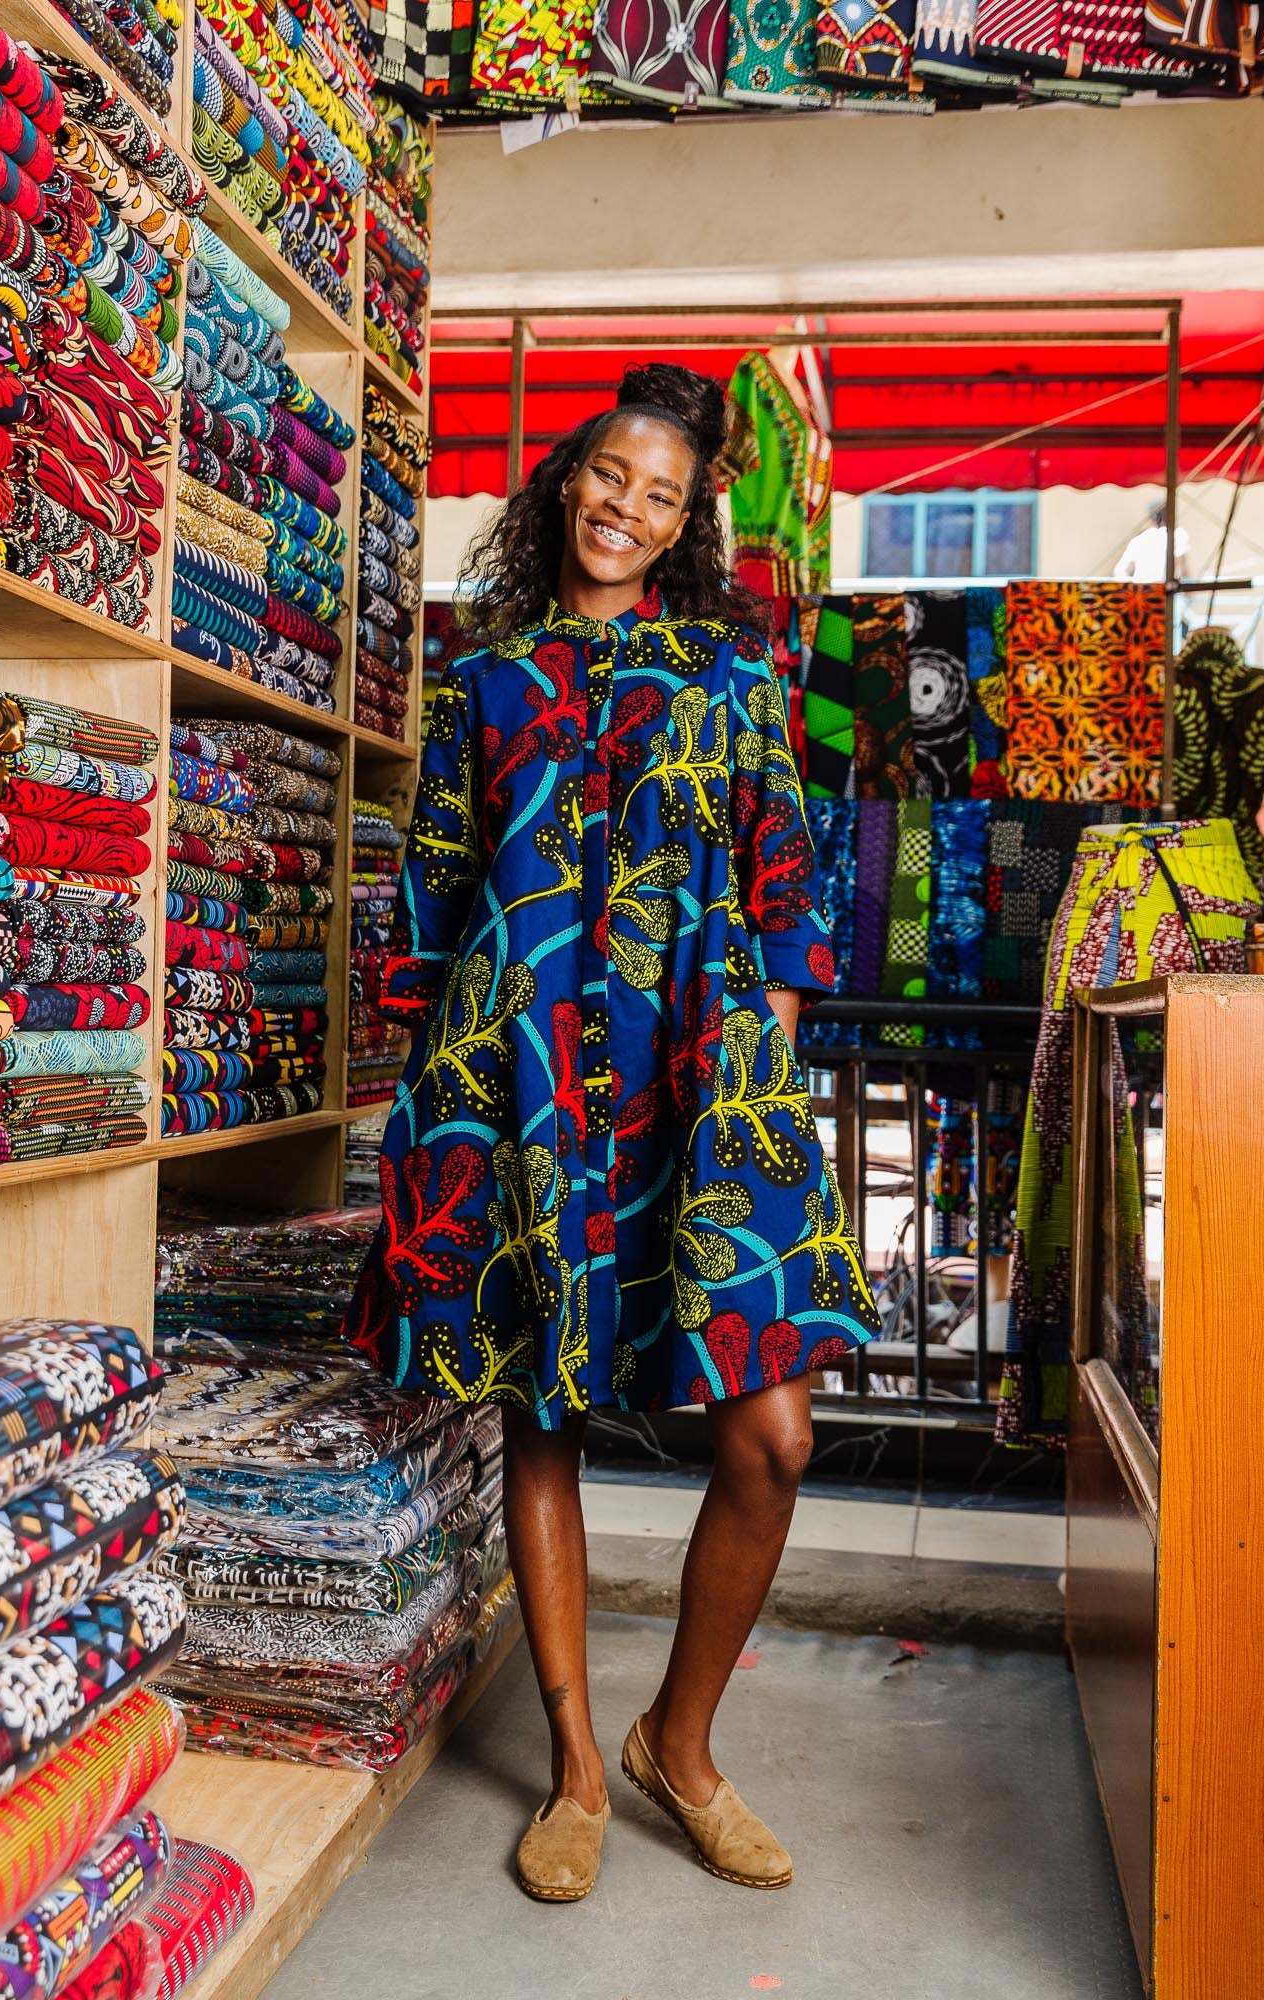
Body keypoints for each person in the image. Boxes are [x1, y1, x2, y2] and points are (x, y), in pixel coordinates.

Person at [344, 363, 878, 1903]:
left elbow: (789, 881)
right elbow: (435, 902)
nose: (622, 509)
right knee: (540, 1409)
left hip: (700, 1083)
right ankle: (579, 1767)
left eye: (659, 493)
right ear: (566, 476)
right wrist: (433, 1113)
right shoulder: (481, 684)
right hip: (515, 1074)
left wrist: (760, 1072)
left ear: (686, 519)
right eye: (607, 476)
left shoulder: (733, 673)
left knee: (773, 1438)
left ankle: (681, 1747)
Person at [1114, 501, 1190, 583]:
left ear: (1150, 518)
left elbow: (1120, 571)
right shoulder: (1178, 534)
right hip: (1164, 591)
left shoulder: (1139, 539)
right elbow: (1182, 571)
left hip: (1141, 592)